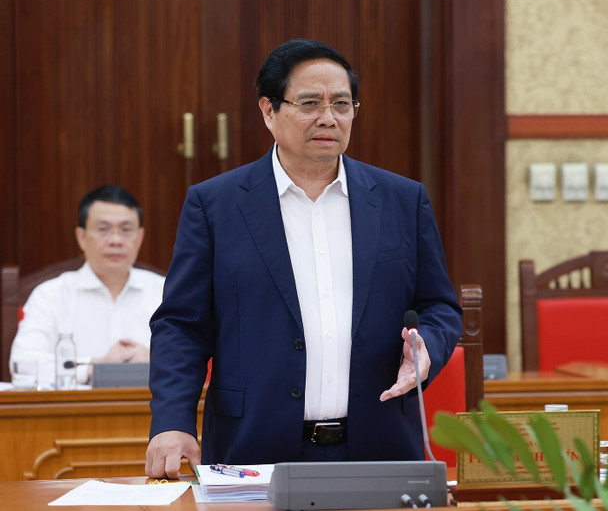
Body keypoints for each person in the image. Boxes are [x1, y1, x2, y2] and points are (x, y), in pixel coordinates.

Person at [144, 38, 462, 479]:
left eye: (342, 104)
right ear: (269, 111)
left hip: (380, 444)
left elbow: (439, 306)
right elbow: (181, 325)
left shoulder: (402, 200)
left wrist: (428, 345)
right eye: (310, 102)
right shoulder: (215, 204)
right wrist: (173, 422)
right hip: (254, 450)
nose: (328, 118)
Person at [9, 185, 164, 386]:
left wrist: (156, 360)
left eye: (126, 230)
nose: (116, 240)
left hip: (151, 412)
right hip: (72, 415)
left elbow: (197, 359)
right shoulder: (51, 295)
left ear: (140, 237)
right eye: (103, 229)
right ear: (81, 237)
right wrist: (94, 367)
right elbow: (24, 363)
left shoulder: (165, 292)